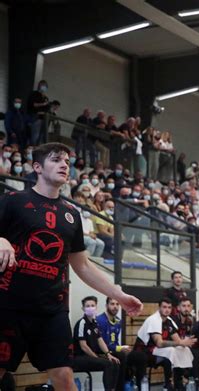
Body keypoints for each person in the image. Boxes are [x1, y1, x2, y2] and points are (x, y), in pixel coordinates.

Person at [0, 142, 143, 391]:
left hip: (52, 310)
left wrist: (118, 295)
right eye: (56, 160)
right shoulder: (13, 200)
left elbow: (83, 266)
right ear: (37, 167)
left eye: (66, 161)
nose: (64, 164)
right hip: (9, 304)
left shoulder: (71, 214)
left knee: (64, 376)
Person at [133, 298, 196, 390]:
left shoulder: (169, 321)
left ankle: (181, 380)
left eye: (169, 307)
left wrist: (185, 343)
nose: (167, 310)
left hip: (156, 350)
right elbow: (159, 343)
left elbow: (178, 340)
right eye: (164, 307)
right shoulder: (154, 320)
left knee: (184, 349)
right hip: (144, 351)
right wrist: (180, 342)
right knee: (171, 350)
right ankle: (169, 384)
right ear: (159, 308)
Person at [72, 296, 120, 391]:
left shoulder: (94, 322)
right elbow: (84, 346)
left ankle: (113, 388)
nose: (90, 308)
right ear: (83, 308)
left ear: (96, 307)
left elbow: (100, 340)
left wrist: (108, 354)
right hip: (80, 357)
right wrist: (96, 357)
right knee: (108, 364)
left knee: (115, 362)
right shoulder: (82, 323)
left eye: (92, 305)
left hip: (91, 356)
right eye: (88, 306)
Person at [27, 80, 50, 145]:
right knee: (34, 137)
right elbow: (33, 104)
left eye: (45, 86)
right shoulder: (33, 94)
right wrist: (43, 104)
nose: (44, 87)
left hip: (43, 119)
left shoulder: (45, 97)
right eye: (43, 85)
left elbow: (47, 108)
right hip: (35, 118)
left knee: (41, 138)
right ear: (39, 86)